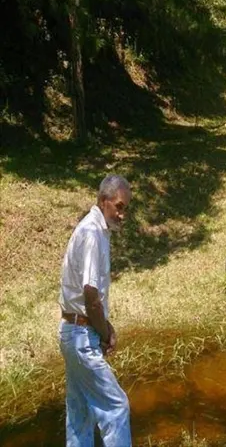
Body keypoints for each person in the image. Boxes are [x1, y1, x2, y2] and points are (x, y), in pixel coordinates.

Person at [58, 174, 133, 447]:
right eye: (119, 206)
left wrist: (105, 326)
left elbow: (91, 298)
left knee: (80, 412)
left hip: (72, 331)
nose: (122, 214)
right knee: (117, 407)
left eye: (125, 208)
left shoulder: (96, 229)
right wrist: (104, 333)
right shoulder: (91, 233)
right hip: (81, 335)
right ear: (103, 201)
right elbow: (91, 295)